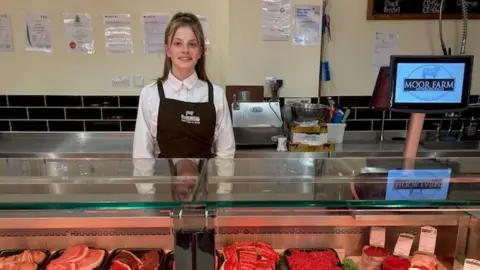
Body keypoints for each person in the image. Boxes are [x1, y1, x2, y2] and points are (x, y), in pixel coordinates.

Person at [133, 12, 235, 195]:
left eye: (192, 44)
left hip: (206, 192)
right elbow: (142, 155)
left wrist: (223, 195)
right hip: (164, 192)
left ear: (200, 51)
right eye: (178, 43)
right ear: (168, 50)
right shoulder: (150, 94)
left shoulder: (216, 95)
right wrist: (147, 197)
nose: (185, 50)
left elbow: (226, 155)